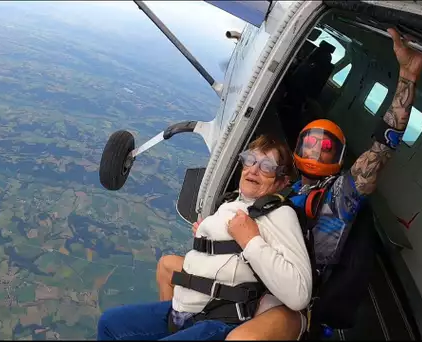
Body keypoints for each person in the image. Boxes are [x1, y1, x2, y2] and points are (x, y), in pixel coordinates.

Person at [155, 27, 422, 340]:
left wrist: (407, 78)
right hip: (259, 271)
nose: (315, 151)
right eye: (310, 144)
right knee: (168, 268)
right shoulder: (291, 188)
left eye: (324, 147)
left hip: (287, 289)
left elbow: (382, 148)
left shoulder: (340, 197)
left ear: (338, 157)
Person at [97, 134, 313, 341]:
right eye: (250, 160)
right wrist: (208, 236)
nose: (254, 170)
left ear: (282, 182)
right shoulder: (231, 204)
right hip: (183, 310)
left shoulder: (280, 214)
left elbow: (299, 294)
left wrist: (250, 240)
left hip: (219, 318)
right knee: (109, 324)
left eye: (267, 167)